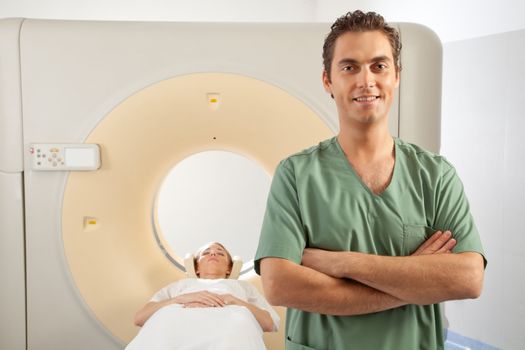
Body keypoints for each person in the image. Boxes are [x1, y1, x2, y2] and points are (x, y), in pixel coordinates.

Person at [254, 10, 486, 350]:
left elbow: (468, 279)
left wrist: (342, 263)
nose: (367, 81)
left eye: (379, 66)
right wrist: (414, 280)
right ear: (328, 81)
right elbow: (280, 286)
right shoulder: (296, 175)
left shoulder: (435, 176)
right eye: (350, 67)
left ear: (396, 77)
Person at [127, 242, 279, 350]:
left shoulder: (243, 287)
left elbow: (270, 324)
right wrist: (179, 299)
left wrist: (234, 300)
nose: (213, 253)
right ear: (197, 267)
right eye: (206, 253)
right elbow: (139, 318)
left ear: (229, 268)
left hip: (230, 323)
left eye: (220, 253)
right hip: (175, 320)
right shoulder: (179, 286)